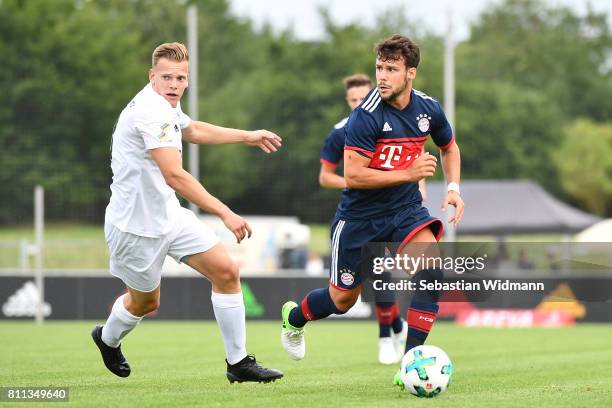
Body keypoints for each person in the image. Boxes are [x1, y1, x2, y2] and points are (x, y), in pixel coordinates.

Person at [92, 42, 283, 383]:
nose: (174, 84)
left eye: (180, 78)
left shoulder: (167, 107)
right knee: (146, 304)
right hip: (135, 228)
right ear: (152, 76)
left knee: (226, 271)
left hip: (169, 215)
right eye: (166, 77)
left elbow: (191, 129)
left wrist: (247, 136)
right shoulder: (150, 111)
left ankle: (238, 364)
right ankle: (107, 339)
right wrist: (225, 212)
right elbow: (174, 175)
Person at [280, 35, 464, 384]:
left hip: (405, 209)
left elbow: (449, 147)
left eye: (391, 69)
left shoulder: (428, 108)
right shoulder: (364, 116)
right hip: (359, 218)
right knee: (341, 300)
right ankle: (295, 318)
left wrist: (453, 188)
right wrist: (408, 173)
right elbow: (353, 175)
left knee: (431, 272)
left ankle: (409, 364)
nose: (382, 76)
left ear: (410, 73)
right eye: (379, 67)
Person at [319, 74, 428, 365]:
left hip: (395, 211)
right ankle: (395, 327)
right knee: (347, 295)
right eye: (353, 100)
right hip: (358, 213)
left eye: (362, 98)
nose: (358, 103)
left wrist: (418, 184)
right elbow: (324, 176)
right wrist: (354, 180)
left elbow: (411, 155)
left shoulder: (391, 120)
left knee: (382, 274)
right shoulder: (342, 131)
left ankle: (386, 338)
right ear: (347, 101)